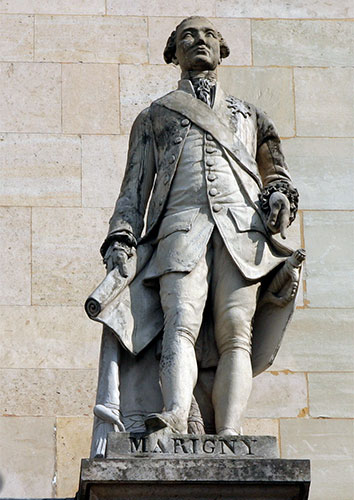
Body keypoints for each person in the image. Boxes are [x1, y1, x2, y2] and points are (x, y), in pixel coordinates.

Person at [88, 16, 301, 454]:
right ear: (174, 53)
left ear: (222, 50)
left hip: (243, 234)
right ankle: (175, 415)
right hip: (180, 232)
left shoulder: (251, 115)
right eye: (188, 35)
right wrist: (121, 239)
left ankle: (229, 434)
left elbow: (276, 173)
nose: (199, 41)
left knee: (235, 331)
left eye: (208, 35)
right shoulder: (156, 115)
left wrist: (280, 196)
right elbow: (134, 189)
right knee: (179, 324)